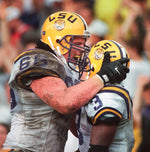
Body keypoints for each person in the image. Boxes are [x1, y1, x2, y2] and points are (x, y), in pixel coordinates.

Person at [2, 11, 129, 152]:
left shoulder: (67, 69)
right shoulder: (37, 59)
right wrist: (103, 76)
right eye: (77, 44)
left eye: (83, 44)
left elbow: (76, 128)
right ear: (57, 40)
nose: (81, 51)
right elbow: (65, 102)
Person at [73, 40, 134, 152]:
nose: (84, 67)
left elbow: (97, 149)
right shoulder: (98, 91)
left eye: (88, 63)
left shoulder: (109, 95)